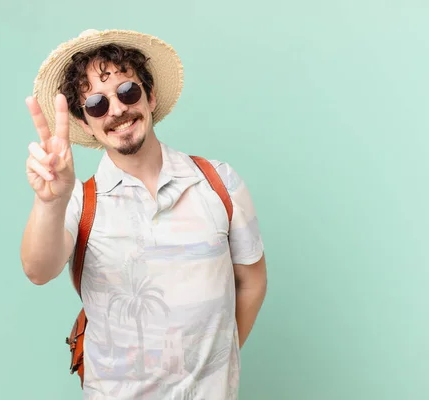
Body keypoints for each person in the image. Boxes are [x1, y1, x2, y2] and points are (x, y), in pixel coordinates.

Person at [20, 29, 267, 399]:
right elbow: (37, 270)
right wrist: (50, 201)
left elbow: (252, 281)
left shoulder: (219, 183)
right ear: (85, 123)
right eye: (97, 105)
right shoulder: (80, 202)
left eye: (127, 91)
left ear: (150, 97)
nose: (117, 110)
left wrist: (217, 363)